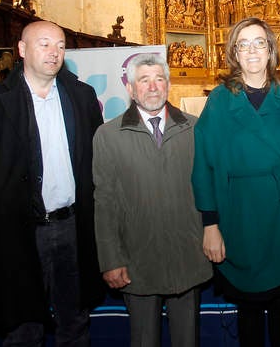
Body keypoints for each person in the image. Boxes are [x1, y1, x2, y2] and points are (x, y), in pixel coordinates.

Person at [0, 20, 105, 345]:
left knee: (75, 321)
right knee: (23, 328)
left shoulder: (82, 96)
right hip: (18, 233)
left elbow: (98, 164)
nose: (54, 52)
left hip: (73, 229)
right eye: (45, 44)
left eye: (61, 45)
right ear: (21, 50)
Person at [191, 16, 280, 347]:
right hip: (242, 214)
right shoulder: (221, 100)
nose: (252, 51)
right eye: (244, 44)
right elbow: (204, 165)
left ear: (271, 50)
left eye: (259, 43)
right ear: (234, 53)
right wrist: (211, 224)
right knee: (249, 308)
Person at [93, 53, 211, 347]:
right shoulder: (108, 135)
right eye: (144, 80)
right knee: (144, 340)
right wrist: (111, 260)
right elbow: (105, 203)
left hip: (188, 257)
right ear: (131, 89)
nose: (153, 86)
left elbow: (211, 190)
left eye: (159, 79)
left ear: (169, 85)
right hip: (137, 263)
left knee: (188, 341)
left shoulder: (196, 129)